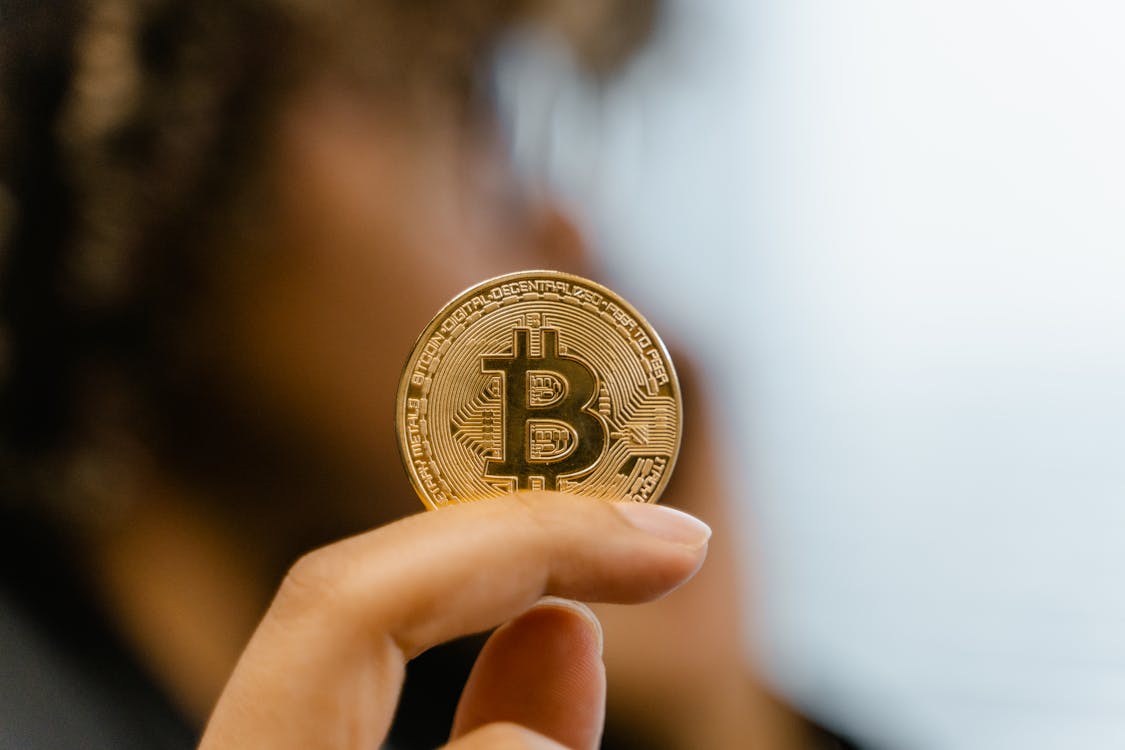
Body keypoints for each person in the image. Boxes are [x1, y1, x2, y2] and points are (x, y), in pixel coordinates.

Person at [0, 1, 812, 748]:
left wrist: (712, 713)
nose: (561, 224)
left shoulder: (466, 698)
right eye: (456, 96)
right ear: (158, 143)